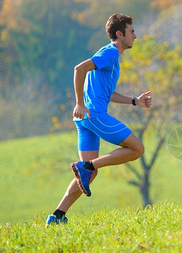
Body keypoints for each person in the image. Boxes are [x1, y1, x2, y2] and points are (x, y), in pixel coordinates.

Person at [45, 14, 152, 228]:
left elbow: (108, 93)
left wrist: (134, 101)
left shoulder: (109, 56)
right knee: (137, 149)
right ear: (119, 34)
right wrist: (79, 103)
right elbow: (79, 68)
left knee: (89, 174)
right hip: (93, 115)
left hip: (85, 119)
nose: (136, 36)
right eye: (132, 32)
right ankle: (86, 166)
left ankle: (57, 216)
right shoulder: (111, 52)